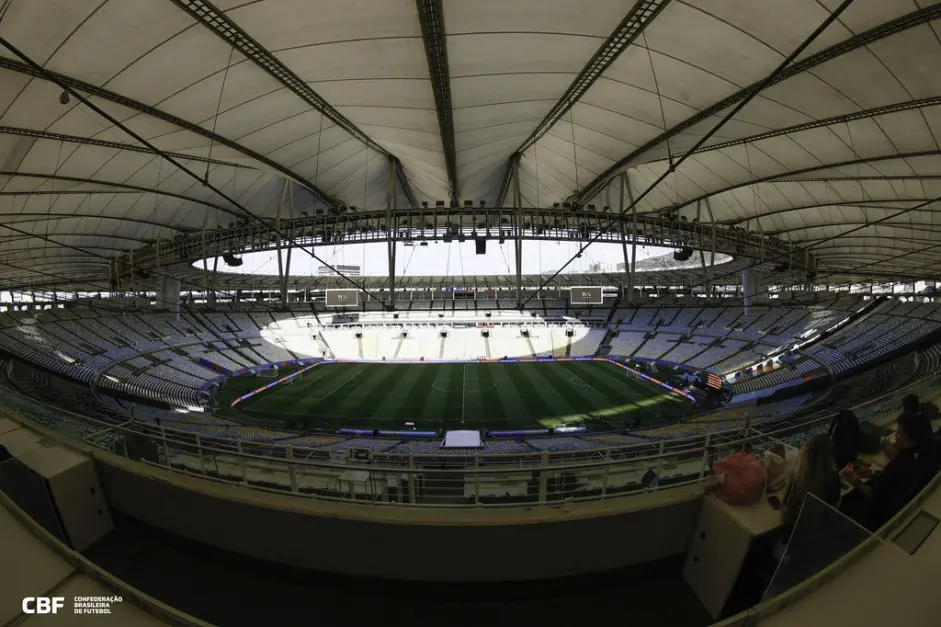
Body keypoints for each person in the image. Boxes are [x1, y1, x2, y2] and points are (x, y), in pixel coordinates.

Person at [843, 410, 938, 530]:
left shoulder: (900, 466)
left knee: (846, 501)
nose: (895, 436)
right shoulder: (924, 453)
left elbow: (874, 496)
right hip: (900, 502)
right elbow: (891, 481)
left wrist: (856, 481)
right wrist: (873, 473)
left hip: (879, 516)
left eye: (898, 432)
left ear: (908, 436)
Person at [782, 434, 842, 531]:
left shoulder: (797, 473)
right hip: (819, 528)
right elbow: (835, 506)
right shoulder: (831, 478)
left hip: (794, 526)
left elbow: (786, 500)